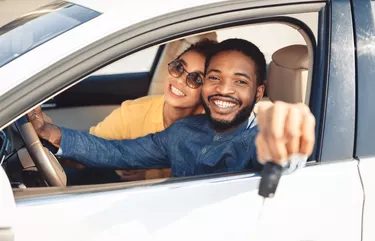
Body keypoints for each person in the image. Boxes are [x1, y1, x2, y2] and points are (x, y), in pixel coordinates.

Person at [28, 38, 315, 177]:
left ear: (259, 92)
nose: (224, 89)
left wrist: (287, 146)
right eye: (214, 78)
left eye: (240, 82)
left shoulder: (258, 136)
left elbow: (279, 161)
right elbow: (118, 151)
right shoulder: (182, 132)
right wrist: (52, 133)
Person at [40, 39, 217, 183]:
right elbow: (94, 148)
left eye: (195, 79)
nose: (180, 80)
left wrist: (147, 177)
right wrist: (50, 138)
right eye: (179, 68)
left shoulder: (213, 133)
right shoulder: (133, 112)